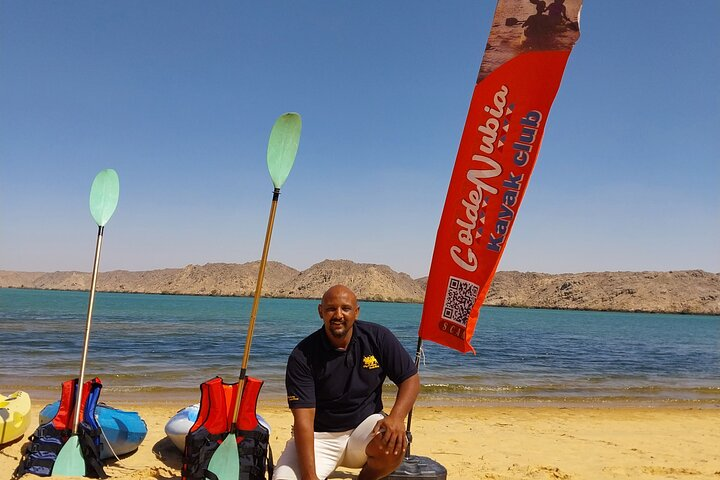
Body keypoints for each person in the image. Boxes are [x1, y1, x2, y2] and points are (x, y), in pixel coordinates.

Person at [273, 285, 420, 480]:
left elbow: (410, 378)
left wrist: (396, 418)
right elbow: (304, 420)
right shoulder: (302, 356)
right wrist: (310, 476)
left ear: (356, 312)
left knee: (395, 441)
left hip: (363, 431)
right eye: (331, 309)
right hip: (319, 438)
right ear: (320, 312)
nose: (338, 315)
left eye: (346, 308)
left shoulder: (378, 337)